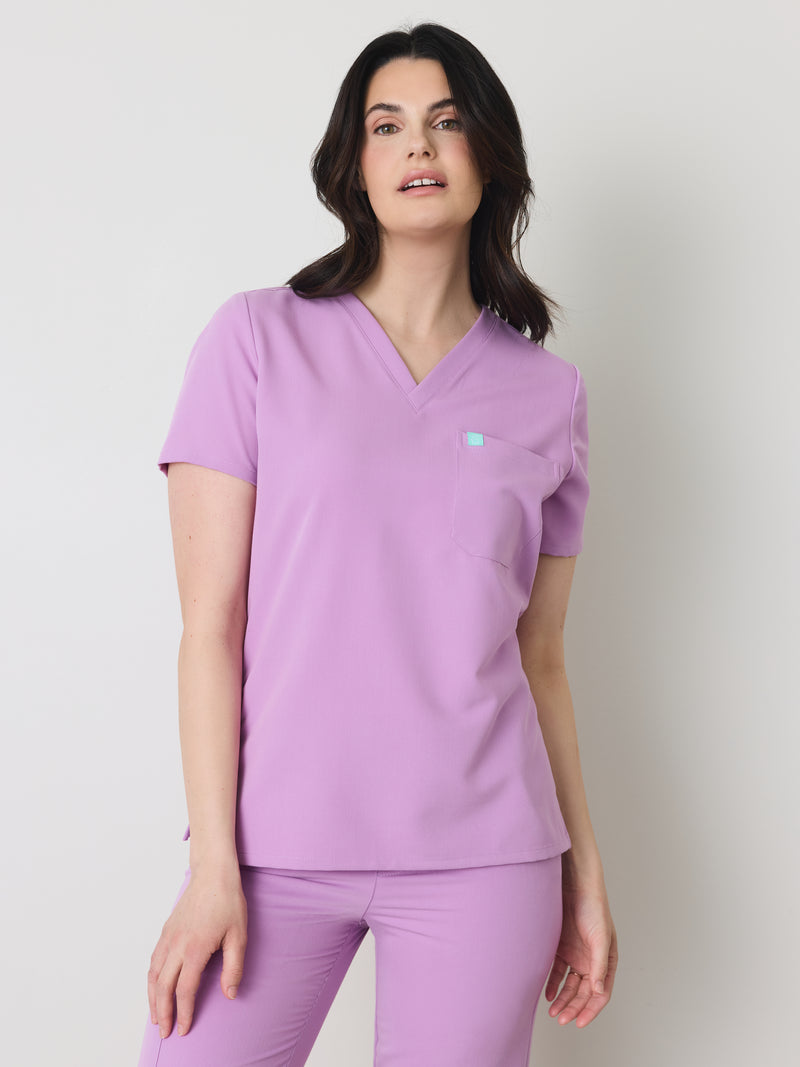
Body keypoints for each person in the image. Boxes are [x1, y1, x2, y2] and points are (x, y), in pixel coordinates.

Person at [136, 21, 618, 1067]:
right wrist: (213, 865)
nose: (418, 147)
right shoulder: (255, 339)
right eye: (387, 125)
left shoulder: (548, 394)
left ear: (487, 154)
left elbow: (540, 657)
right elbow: (210, 629)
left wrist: (583, 873)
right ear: (353, 163)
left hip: (486, 856)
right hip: (270, 850)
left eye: (445, 122)